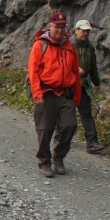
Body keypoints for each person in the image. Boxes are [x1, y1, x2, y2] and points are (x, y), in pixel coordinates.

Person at [27, 11, 82, 178]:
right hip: (46, 92)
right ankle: (44, 161)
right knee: (45, 129)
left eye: (62, 26)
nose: (60, 30)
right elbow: (33, 71)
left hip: (65, 94)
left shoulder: (70, 47)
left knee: (69, 126)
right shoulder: (40, 45)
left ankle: (59, 157)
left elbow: (75, 72)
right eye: (57, 26)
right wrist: (37, 93)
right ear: (50, 26)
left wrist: (77, 98)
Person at [73, 19, 105, 154]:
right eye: (83, 30)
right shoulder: (67, 45)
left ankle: (92, 143)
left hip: (83, 84)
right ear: (76, 30)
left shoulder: (89, 47)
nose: (85, 33)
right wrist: (75, 70)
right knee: (64, 112)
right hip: (67, 84)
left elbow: (93, 66)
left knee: (86, 112)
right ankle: (61, 137)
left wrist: (96, 82)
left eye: (87, 31)